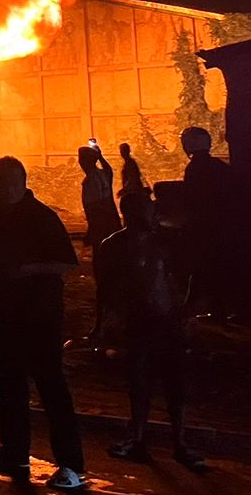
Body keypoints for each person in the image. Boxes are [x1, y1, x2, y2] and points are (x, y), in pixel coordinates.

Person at [0, 156, 86, 490]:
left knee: (52, 388)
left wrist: (29, 270)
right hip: (7, 314)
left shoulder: (42, 217)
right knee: (9, 386)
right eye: (0, 183)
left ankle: (71, 464)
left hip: (41, 316)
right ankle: (15, 451)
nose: (7, 189)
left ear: (23, 181)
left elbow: (66, 263)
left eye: (11, 183)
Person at [96, 190, 207, 471]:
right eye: (147, 208)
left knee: (174, 385)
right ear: (132, 213)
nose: (153, 213)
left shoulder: (165, 242)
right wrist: (105, 325)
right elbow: (105, 290)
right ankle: (139, 439)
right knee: (139, 384)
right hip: (137, 322)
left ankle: (177, 443)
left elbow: (194, 271)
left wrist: (185, 308)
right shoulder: (114, 246)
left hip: (167, 320)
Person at [180, 126, 231, 319]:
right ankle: (215, 309)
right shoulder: (218, 166)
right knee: (212, 266)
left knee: (203, 265)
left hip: (204, 226)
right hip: (221, 224)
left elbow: (190, 200)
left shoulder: (194, 169)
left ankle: (199, 308)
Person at [78, 144, 122, 250]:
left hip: (101, 226)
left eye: (81, 159)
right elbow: (109, 170)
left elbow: (95, 208)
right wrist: (100, 156)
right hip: (111, 223)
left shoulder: (90, 181)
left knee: (101, 255)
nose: (79, 162)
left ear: (85, 162)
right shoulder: (102, 174)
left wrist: (91, 230)